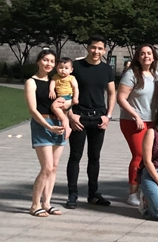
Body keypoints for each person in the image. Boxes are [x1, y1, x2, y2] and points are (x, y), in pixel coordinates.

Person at [66, 35, 116, 209]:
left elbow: (111, 93)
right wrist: (70, 115)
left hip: (98, 119)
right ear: (88, 48)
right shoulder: (77, 67)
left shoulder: (107, 69)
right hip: (78, 118)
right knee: (75, 156)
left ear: (104, 51)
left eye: (100, 48)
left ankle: (93, 194)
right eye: (93, 47)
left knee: (94, 158)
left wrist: (108, 116)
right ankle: (72, 194)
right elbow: (65, 90)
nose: (96, 51)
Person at [25, 49, 67, 217]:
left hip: (58, 123)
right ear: (38, 61)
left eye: (52, 61)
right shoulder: (31, 82)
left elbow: (66, 99)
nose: (48, 64)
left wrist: (66, 117)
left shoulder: (55, 81)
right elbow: (33, 110)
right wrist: (48, 127)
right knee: (47, 167)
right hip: (42, 124)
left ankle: (47, 203)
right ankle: (35, 205)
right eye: (45, 60)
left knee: (54, 167)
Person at [117, 44, 158, 207]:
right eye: (142, 53)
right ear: (137, 57)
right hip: (133, 121)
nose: (146, 56)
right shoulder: (131, 74)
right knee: (139, 155)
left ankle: (145, 188)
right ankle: (132, 193)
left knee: (151, 156)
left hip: (152, 121)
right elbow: (121, 98)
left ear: (154, 57)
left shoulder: (156, 75)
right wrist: (136, 116)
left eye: (149, 53)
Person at [48, 57, 79, 139]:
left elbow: (75, 88)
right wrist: (52, 91)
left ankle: (65, 123)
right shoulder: (55, 77)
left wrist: (75, 97)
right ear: (57, 68)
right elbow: (52, 84)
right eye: (60, 68)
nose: (63, 70)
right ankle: (64, 128)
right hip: (60, 97)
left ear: (71, 70)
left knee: (54, 106)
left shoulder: (71, 78)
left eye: (66, 68)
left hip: (67, 96)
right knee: (63, 112)